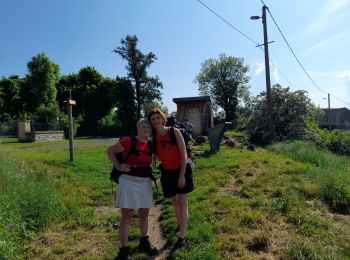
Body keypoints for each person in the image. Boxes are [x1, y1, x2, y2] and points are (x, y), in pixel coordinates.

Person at [106, 118, 157, 260]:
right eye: (144, 126)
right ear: (138, 128)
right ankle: (123, 251)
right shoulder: (128, 141)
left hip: (145, 182)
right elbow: (110, 151)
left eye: (149, 127)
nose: (147, 129)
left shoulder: (150, 145)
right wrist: (118, 166)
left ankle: (144, 242)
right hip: (128, 182)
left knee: (144, 214)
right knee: (127, 216)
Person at [147, 108, 195, 250]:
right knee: (175, 203)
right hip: (167, 173)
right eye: (152, 119)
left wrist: (181, 175)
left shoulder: (174, 132)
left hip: (182, 171)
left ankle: (182, 238)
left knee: (183, 204)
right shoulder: (153, 137)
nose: (155, 121)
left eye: (157, 118)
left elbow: (183, 153)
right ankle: (181, 223)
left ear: (162, 118)